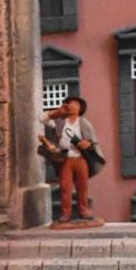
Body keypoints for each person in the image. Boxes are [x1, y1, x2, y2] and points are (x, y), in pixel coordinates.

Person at [39, 96, 103, 226]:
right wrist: (57, 112)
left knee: (82, 186)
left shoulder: (84, 123)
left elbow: (93, 141)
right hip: (66, 159)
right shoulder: (61, 122)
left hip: (81, 158)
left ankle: (83, 210)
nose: (72, 106)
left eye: (75, 104)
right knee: (65, 187)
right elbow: (42, 118)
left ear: (80, 108)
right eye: (70, 104)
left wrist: (88, 144)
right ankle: (66, 213)